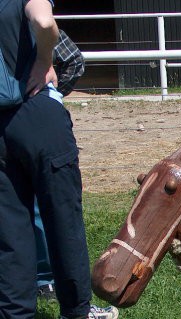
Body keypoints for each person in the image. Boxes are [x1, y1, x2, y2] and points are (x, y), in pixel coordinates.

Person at [0, 0, 118, 319]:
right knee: (62, 215)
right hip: (36, 113)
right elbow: (44, 21)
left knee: (10, 230)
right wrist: (43, 61)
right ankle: (76, 314)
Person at [35, 29, 86, 302]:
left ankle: (45, 278)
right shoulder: (28, 14)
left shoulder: (28, 16)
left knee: (33, 205)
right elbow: (74, 60)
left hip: (27, 116)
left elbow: (73, 60)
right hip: (41, 120)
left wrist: (50, 94)